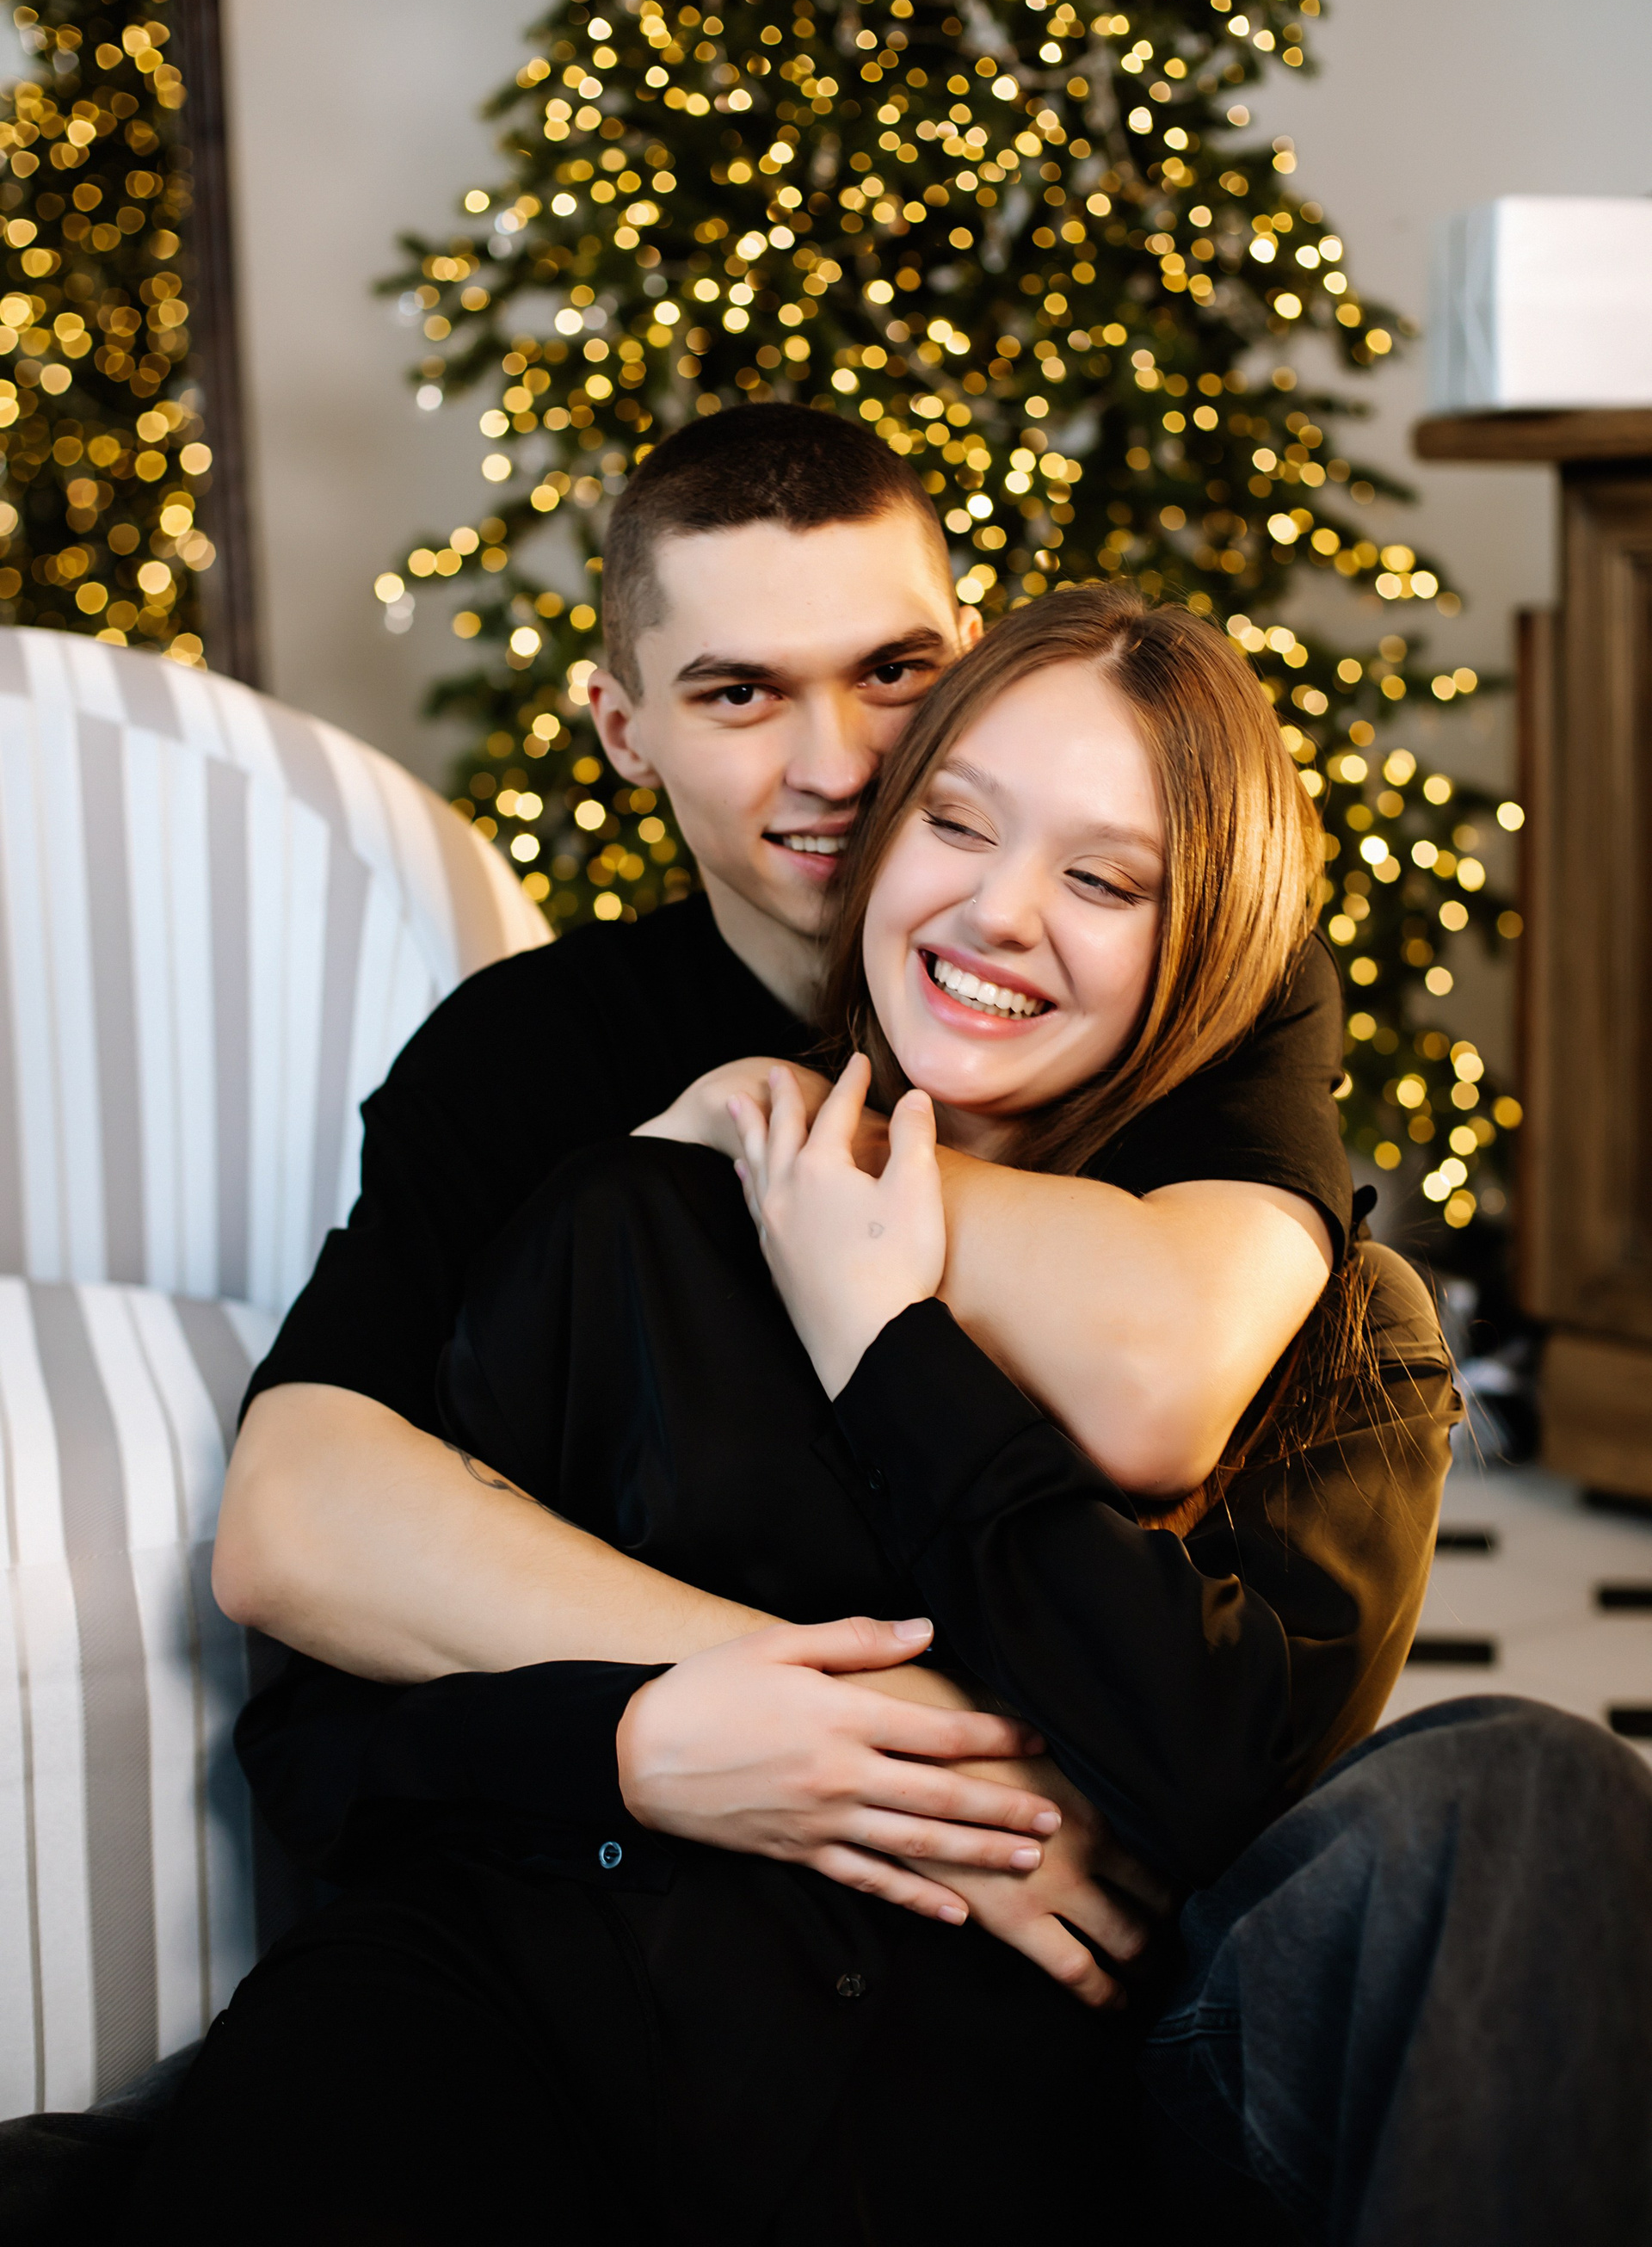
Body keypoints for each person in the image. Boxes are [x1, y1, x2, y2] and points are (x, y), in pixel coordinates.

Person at [133, 583, 1456, 2244]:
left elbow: (1213, 1792)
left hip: (952, 2142)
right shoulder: (642, 1205)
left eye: (1105, 880)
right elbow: (325, 1741)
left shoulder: (1336, 1343)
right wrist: (637, 1746)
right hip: (505, 2020)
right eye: (954, 824)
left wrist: (886, 1336)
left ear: (1208, 951)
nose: (999, 912)